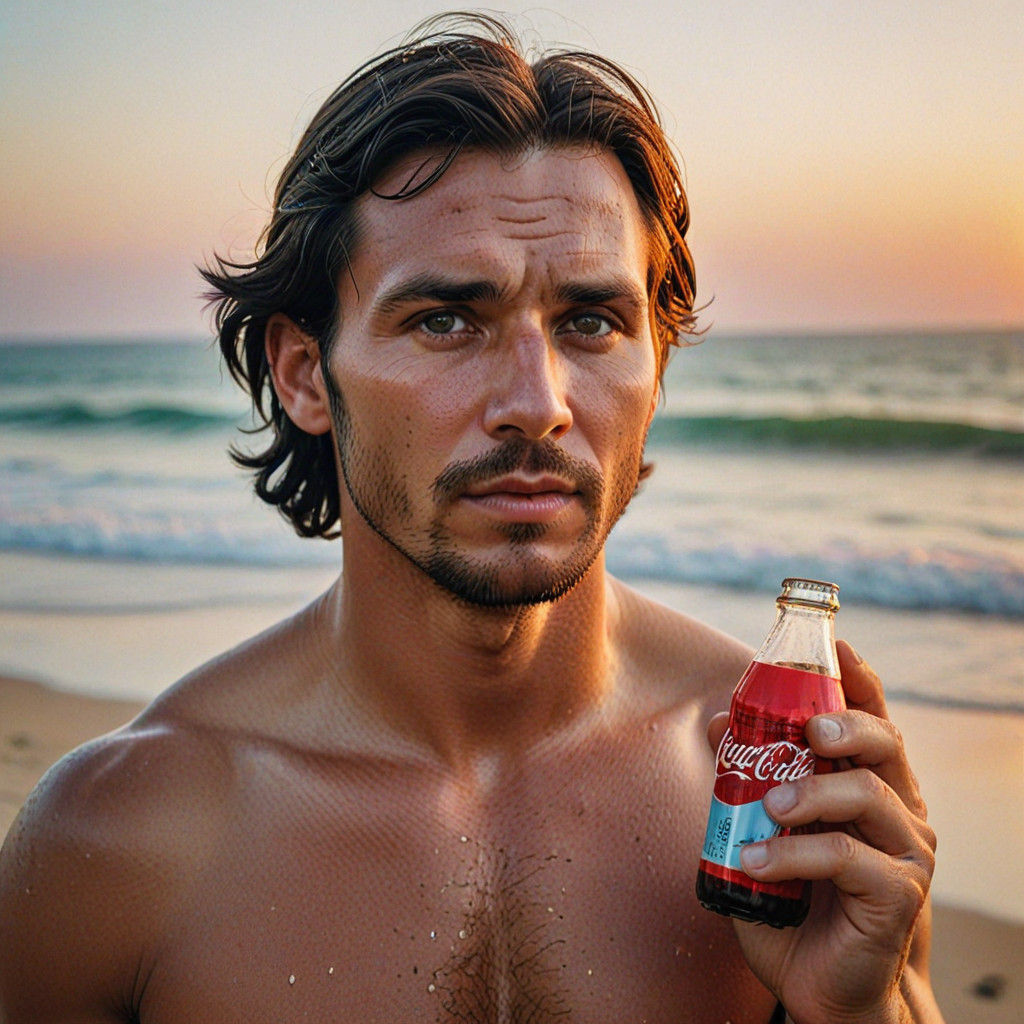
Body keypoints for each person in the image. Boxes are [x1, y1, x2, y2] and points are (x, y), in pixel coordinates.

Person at [0, 14, 942, 1023]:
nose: (536, 400)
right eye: (445, 319)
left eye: (591, 321)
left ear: (655, 369)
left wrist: (863, 1012)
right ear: (304, 372)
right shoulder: (128, 834)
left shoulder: (770, 793)